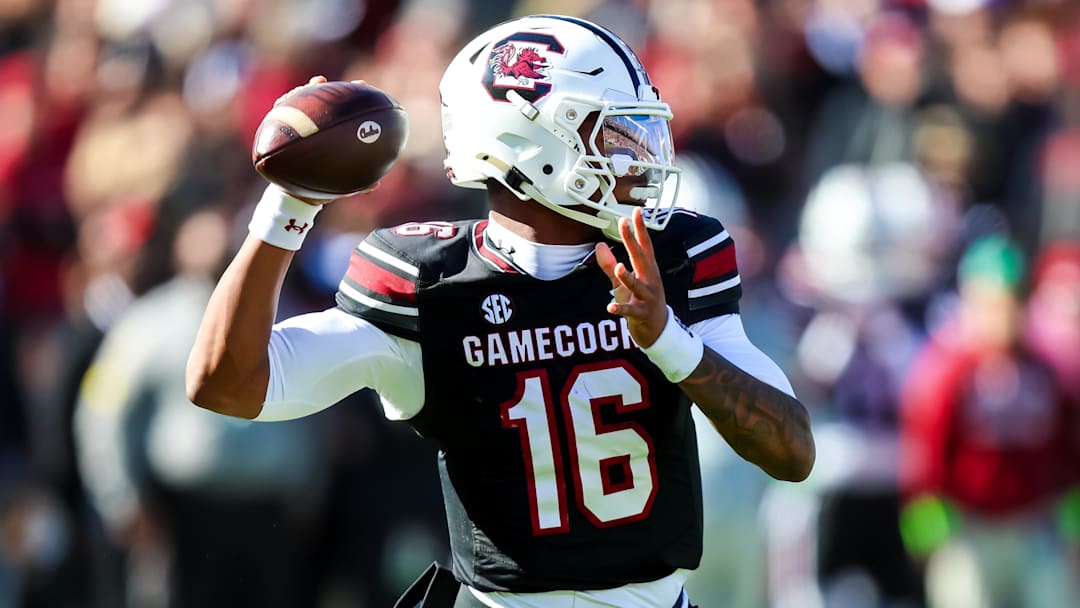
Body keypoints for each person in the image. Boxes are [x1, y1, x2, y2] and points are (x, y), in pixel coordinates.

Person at [186, 15, 815, 608]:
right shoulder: (429, 284)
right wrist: (290, 203)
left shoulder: (669, 257)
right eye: (613, 135)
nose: (638, 158)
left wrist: (669, 342)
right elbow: (227, 383)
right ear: (527, 143)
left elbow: (791, 452)